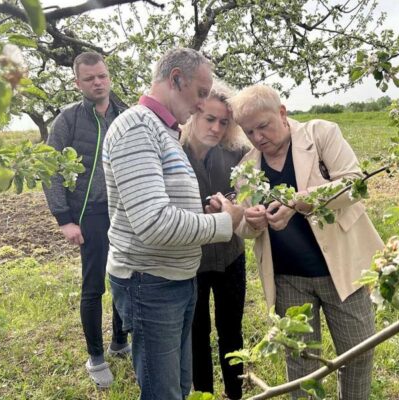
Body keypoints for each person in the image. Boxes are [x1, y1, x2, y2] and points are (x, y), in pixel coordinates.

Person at [102, 48, 244, 400]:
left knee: (180, 388)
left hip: (174, 280)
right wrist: (225, 223)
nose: (201, 106)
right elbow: (153, 223)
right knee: (163, 392)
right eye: (199, 93)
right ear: (175, 78)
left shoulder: (164, 132)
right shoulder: (136, 128)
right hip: (150, 284)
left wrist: (207, 216)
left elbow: (164, 208)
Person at [227, 85, 384, 400]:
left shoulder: (321, 134)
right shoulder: (246, 168)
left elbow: (354, 184)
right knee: (300, 362)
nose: (258, 137)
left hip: (341, 269)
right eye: (249, 131)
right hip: (288, 280)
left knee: (357, 352)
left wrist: (300, 200)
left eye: (264, 126)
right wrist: (251, 222)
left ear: (282, 113)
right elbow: (245, 228)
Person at [43, 52, 130, 389]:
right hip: (89, 213)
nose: (97, 82)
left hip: (123, 212)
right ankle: (96, 356)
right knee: (94, 286)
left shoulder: (125, 115)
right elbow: (49, 170)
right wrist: (64, 219)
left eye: (102, 76)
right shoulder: (68, 120)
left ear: (109, 77)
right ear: (78, 83)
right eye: (90, 78)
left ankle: (120, 341)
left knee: (125, 276)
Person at [180, 81, 250, 400]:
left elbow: (252, 192)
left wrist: (235, 204)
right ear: (194, 113)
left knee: (231, 330)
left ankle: (235, 393)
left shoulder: (237, 152)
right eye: (210, 118)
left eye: (224, 121)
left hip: (230, 255)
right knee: (197, 333)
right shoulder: (175, 152)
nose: (217, 127)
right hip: (191, 260)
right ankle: (204, 393)